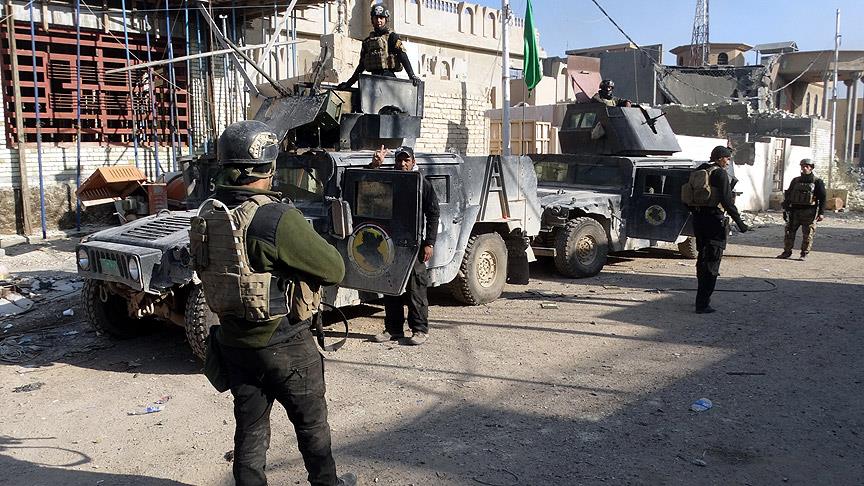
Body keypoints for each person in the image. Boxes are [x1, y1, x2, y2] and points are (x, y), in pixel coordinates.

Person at [192, 120, 356, 486]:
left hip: (234, 343)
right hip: (285, 342)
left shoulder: (209, 214)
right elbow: (334, 268)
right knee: (311, 425)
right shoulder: (275, 216)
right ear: (268, 167)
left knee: (250, 431)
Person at [367, 145, 439, 345]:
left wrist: (429, 243)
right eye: (399, 160)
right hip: (390, 243)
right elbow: (369, 186)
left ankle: (420, 330)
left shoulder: (422, 183)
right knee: (391, 287)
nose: (402, 163)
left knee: (416, 288)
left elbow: (433, 214)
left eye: (406, 160)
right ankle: (393, 330)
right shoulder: (390, 179)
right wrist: (375, 165)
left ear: (413, 162)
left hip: (414, 245)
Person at [687, 146, 750, 314]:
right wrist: (740, 223)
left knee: (702, 259)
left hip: (698, 220)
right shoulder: (720, 174)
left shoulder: (699, 170)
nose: (728, 162)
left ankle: (700, 299)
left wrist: (696, 212)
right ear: (721, 158)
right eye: (727, 159)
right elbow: (727, 202)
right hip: (714, 222)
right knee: (712, 261)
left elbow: (687, 196)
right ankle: (702, 304)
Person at [337, 5, 420, 89]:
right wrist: (349, 83)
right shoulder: (367, 41)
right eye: (376, 18)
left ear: (386, 19)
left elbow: (402, 55)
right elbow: (362, 65)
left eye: (381, 18)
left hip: (389, 80)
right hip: (373, 80)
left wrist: (412, 75)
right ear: (372, 20)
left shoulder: (392, 37)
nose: (378, 20)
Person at [777, 158, 826, 260]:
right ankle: (787, 252)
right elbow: (789, 195)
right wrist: (785, 209)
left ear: (811, 168)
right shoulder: (795, 181)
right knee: (789, 232)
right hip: (794, 211)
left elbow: (822, 198)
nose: (804, 168)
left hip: (809, 212)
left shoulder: (817, 182)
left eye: (807, 166)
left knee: (808, 234)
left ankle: (804, 254)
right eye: (803, 166)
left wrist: (821, 213)